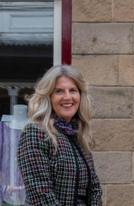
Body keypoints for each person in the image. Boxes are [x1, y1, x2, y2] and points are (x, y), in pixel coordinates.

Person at [17, 65, 102, 205]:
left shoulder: (79, 136)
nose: (67, 97)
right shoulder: (35, 133)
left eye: (73, 90)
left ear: (80, 95)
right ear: (48, 96)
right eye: (59, 91)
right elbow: (41, 194)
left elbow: (94, 188)